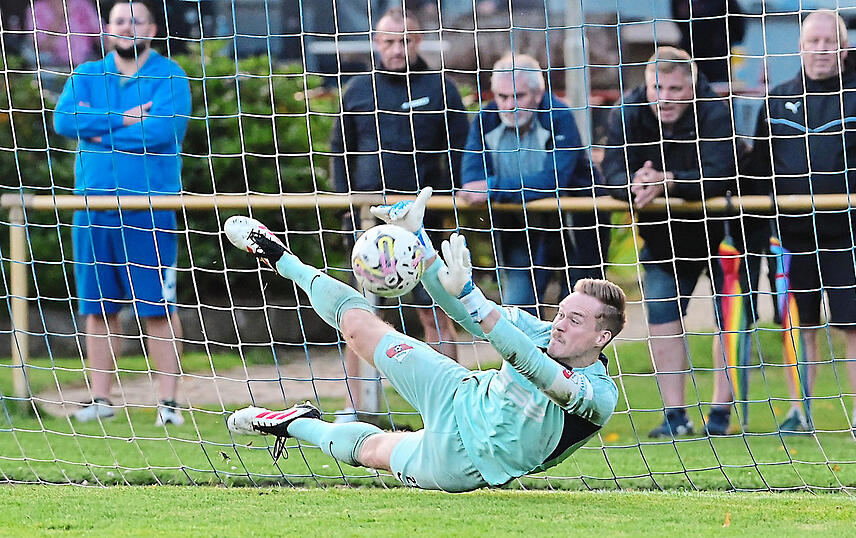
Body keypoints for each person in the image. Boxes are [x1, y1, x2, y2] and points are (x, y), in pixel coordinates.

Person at [222, 187, 623, 492]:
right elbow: (463, 307)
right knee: (361, 327)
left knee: (371, 451)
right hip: (458, 391)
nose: (558, 324)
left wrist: (471, 296)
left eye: (574, 320)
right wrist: (420, 243)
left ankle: (296, 425)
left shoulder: (598, 396)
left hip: (464, 460)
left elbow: (531, 366)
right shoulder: (538, 329)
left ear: (601, 337)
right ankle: (281, 258)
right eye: (561, 313)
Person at [743, 11, 856, 437]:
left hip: (850, 234)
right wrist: (770, 222)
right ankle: (799, 412)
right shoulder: (776, 100)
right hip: (791, 236)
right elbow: (760, 169)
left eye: (828, 41)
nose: (820, 49)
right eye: (812, 41)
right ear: (800, 46)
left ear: (844, 48)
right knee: (799, 324)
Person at [52, 0, 192, 425]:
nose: (128, 27)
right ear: (107, 29)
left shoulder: (171, 75)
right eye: (119, 21)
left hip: (150, 209)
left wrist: (102, 133)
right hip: (93, 209)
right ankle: (101, 399)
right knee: (98, 308)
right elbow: (64, 121)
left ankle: (168, 405)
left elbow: (164, 129)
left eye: (137, 20)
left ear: (152, 28)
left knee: (159, 307)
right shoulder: (88, 74)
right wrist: (124, 119)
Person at [330, 7, 469, 422]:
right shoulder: (357, 89)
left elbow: (461, 150)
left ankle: (454, 403)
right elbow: (341, 153)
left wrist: (452, 204)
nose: (396, 49)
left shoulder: (442, 89)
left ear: (418, 41)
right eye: (388, 41)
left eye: (404, 41)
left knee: (436, 310)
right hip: (370, 217)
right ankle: (357, 408)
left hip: (426, 216)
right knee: (360, 312)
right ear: (376, 42)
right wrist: (344, 208)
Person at [602, 47, 743, 437]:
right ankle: (674, 414)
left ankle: (720, 413)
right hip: (663, 236)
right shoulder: (627, 112)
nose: (665, 97)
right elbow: (610, 170)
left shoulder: (716, 111)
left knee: (726, 324)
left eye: (677, 88)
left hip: (725, 234)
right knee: (663, 322)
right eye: (657, 87)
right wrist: (631, 185)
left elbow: (721, 171)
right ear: (646, 86)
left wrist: (669, 181)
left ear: (693, 86)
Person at [459, 53, 605, 315]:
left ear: (539, 95)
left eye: (519, 96)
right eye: (503, 97)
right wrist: (496, 188)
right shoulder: (485, 119)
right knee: (517, 309)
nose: (510, 105)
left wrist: (494, 188)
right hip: (517, 225)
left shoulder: (559, 114)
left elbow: (553, 180)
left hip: (574, 224)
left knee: (577, 310)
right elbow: (471, 181)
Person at [670, 0, 746, 85]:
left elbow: (737, 25)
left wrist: (720, 40)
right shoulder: (679, 2)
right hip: (691, 54)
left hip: (717, 59)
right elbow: (678, 19)